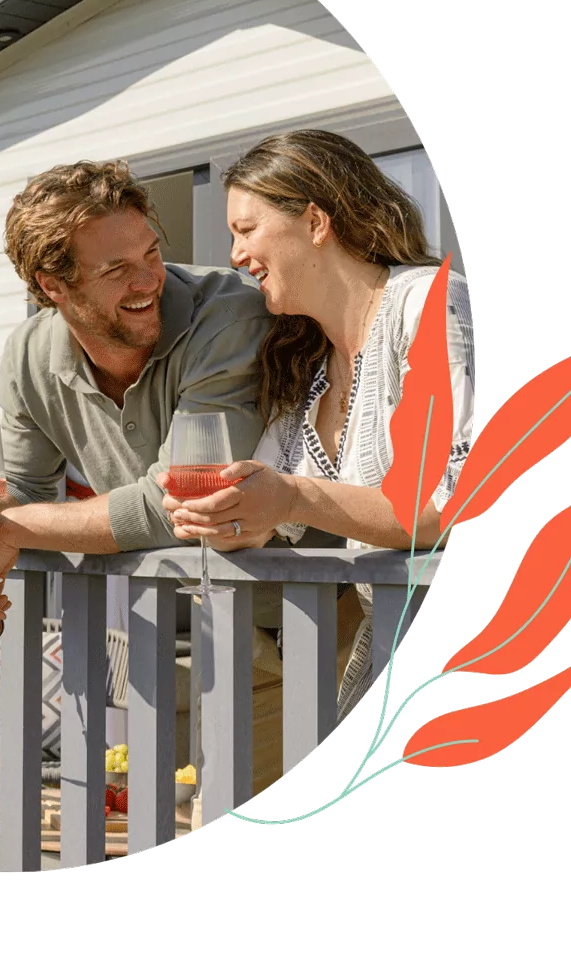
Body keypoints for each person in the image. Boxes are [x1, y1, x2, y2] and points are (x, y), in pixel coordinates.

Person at [159, 129, 477, 717]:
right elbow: (270, 510)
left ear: (314, 221)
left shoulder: (428, 303)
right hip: (390, 651)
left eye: (246, 230)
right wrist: (229, 517)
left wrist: (291, 498)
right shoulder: (308, 365)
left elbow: (451, 505)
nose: (234, 256)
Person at [0, 159, 272, 603]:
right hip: (175, 611)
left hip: (308, 603)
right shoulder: (28, 354)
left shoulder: (229, 316)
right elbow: (23, 487)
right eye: (116, 269)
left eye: (152, 253)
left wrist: (12, 529)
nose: (147, 280)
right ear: (54, 285)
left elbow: (178, 503)